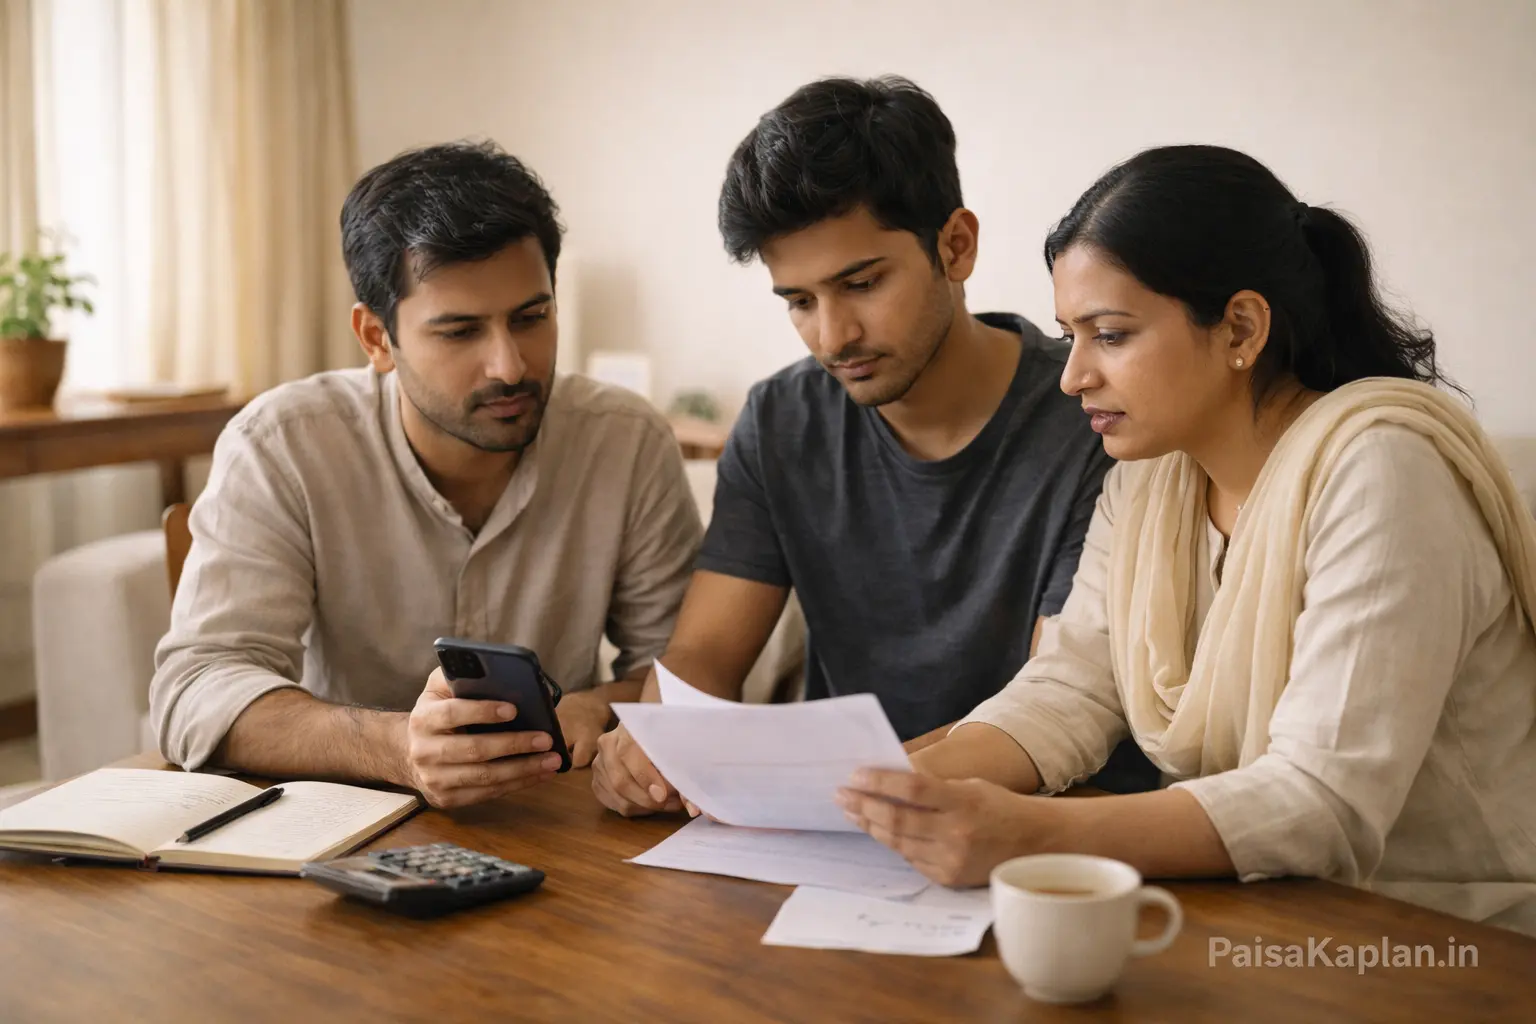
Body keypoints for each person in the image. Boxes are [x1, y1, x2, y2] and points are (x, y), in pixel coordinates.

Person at [835, 144, 1536, 935]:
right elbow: (1072, 686)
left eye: (1111, 334)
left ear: (1240, 326)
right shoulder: (1148, 480)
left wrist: (1025, 836)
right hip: (1264, 915)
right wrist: (892, 788)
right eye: (1070, 337)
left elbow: (1322, 799)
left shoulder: (1383, 470)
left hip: (1448, 944)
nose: (1073, 377)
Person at [593, 76, 1159, 818]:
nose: (833, 336)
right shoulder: (781, 421)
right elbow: (703, 655)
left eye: (861, 283)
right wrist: (659, 737)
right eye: (798, 301)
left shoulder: (1094, 417)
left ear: (955, 246)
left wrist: (829, 787)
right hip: (828, 836)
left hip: (1053, 833)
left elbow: (1054, 705)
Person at [150, 141, 702, 808]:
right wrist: (392, 748)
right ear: (377, 339)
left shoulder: (626, 441)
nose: (509, 365)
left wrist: (595, 707)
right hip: (341, 828)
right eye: (460, 332)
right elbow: (197, 688)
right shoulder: (283, 446)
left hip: (558, 825)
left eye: (531, 318)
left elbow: (678, 670)